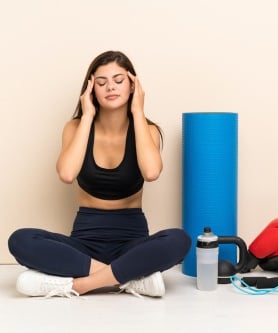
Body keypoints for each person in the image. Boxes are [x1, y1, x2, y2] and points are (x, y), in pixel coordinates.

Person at [8, 50, 191, 298]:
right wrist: (88, 116)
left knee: (179, 240)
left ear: (133, 86)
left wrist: (138, 111)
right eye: (101, 82)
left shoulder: (147, 130)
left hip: (131, 242)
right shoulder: (75, 127)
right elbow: (66, 173)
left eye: (119, 80)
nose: (110, 88)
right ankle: (128, 278)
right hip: (84, 244)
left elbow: (151, 172)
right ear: (91, 89)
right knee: (20, 240)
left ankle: (78, 285)